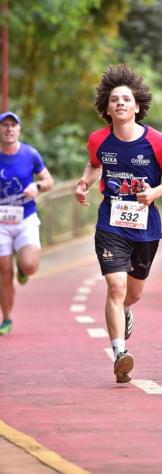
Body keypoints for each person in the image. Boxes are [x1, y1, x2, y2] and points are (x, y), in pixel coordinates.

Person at [75, 64, 162, 383]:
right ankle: (120, 353)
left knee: (132, 293)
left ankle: (125, 312)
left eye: (126, 99)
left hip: (146, 228)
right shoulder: (98, 140)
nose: (120, 103)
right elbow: (94, 166)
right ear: (106, 109)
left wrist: (154, 192)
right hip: (110, 224)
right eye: (114, 100)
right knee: (116, 286)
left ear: (137, 107)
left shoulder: (157, 142)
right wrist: (84, 183)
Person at [0, 111, 54, 335]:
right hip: (1, 221)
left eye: (13, 125)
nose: (9, 129)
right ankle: (7, 318)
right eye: (5, 125)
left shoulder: (30, 154)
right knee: (3, 271)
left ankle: (24, 268)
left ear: (19, 129)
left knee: (30, 265)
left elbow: (49, 180)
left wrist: (38, 187)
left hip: (26, 218)